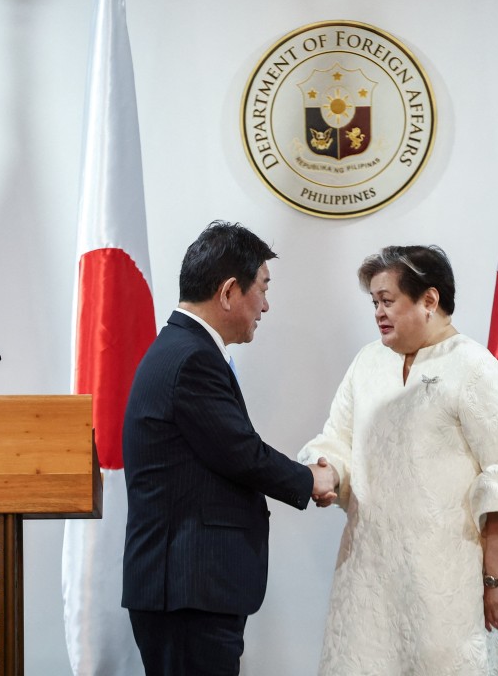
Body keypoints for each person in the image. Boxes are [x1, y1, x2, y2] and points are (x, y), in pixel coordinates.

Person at [299, 245, 498, 676]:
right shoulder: (367, 363)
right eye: (374, 303)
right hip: (369, 581)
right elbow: (337, 440)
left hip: (449, 588)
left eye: (387, 300)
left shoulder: (473, 368)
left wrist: (494, 579)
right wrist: (327, 471)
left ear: (429, 300)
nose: (378, 313)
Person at [122, 220, 337, 676]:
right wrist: (311, 479)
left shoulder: (182, 347)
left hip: (187, 590)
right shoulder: (191, 358)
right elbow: (241, 453)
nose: (266, 305)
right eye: (262, 289)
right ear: (227, 292)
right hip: (187, 591)